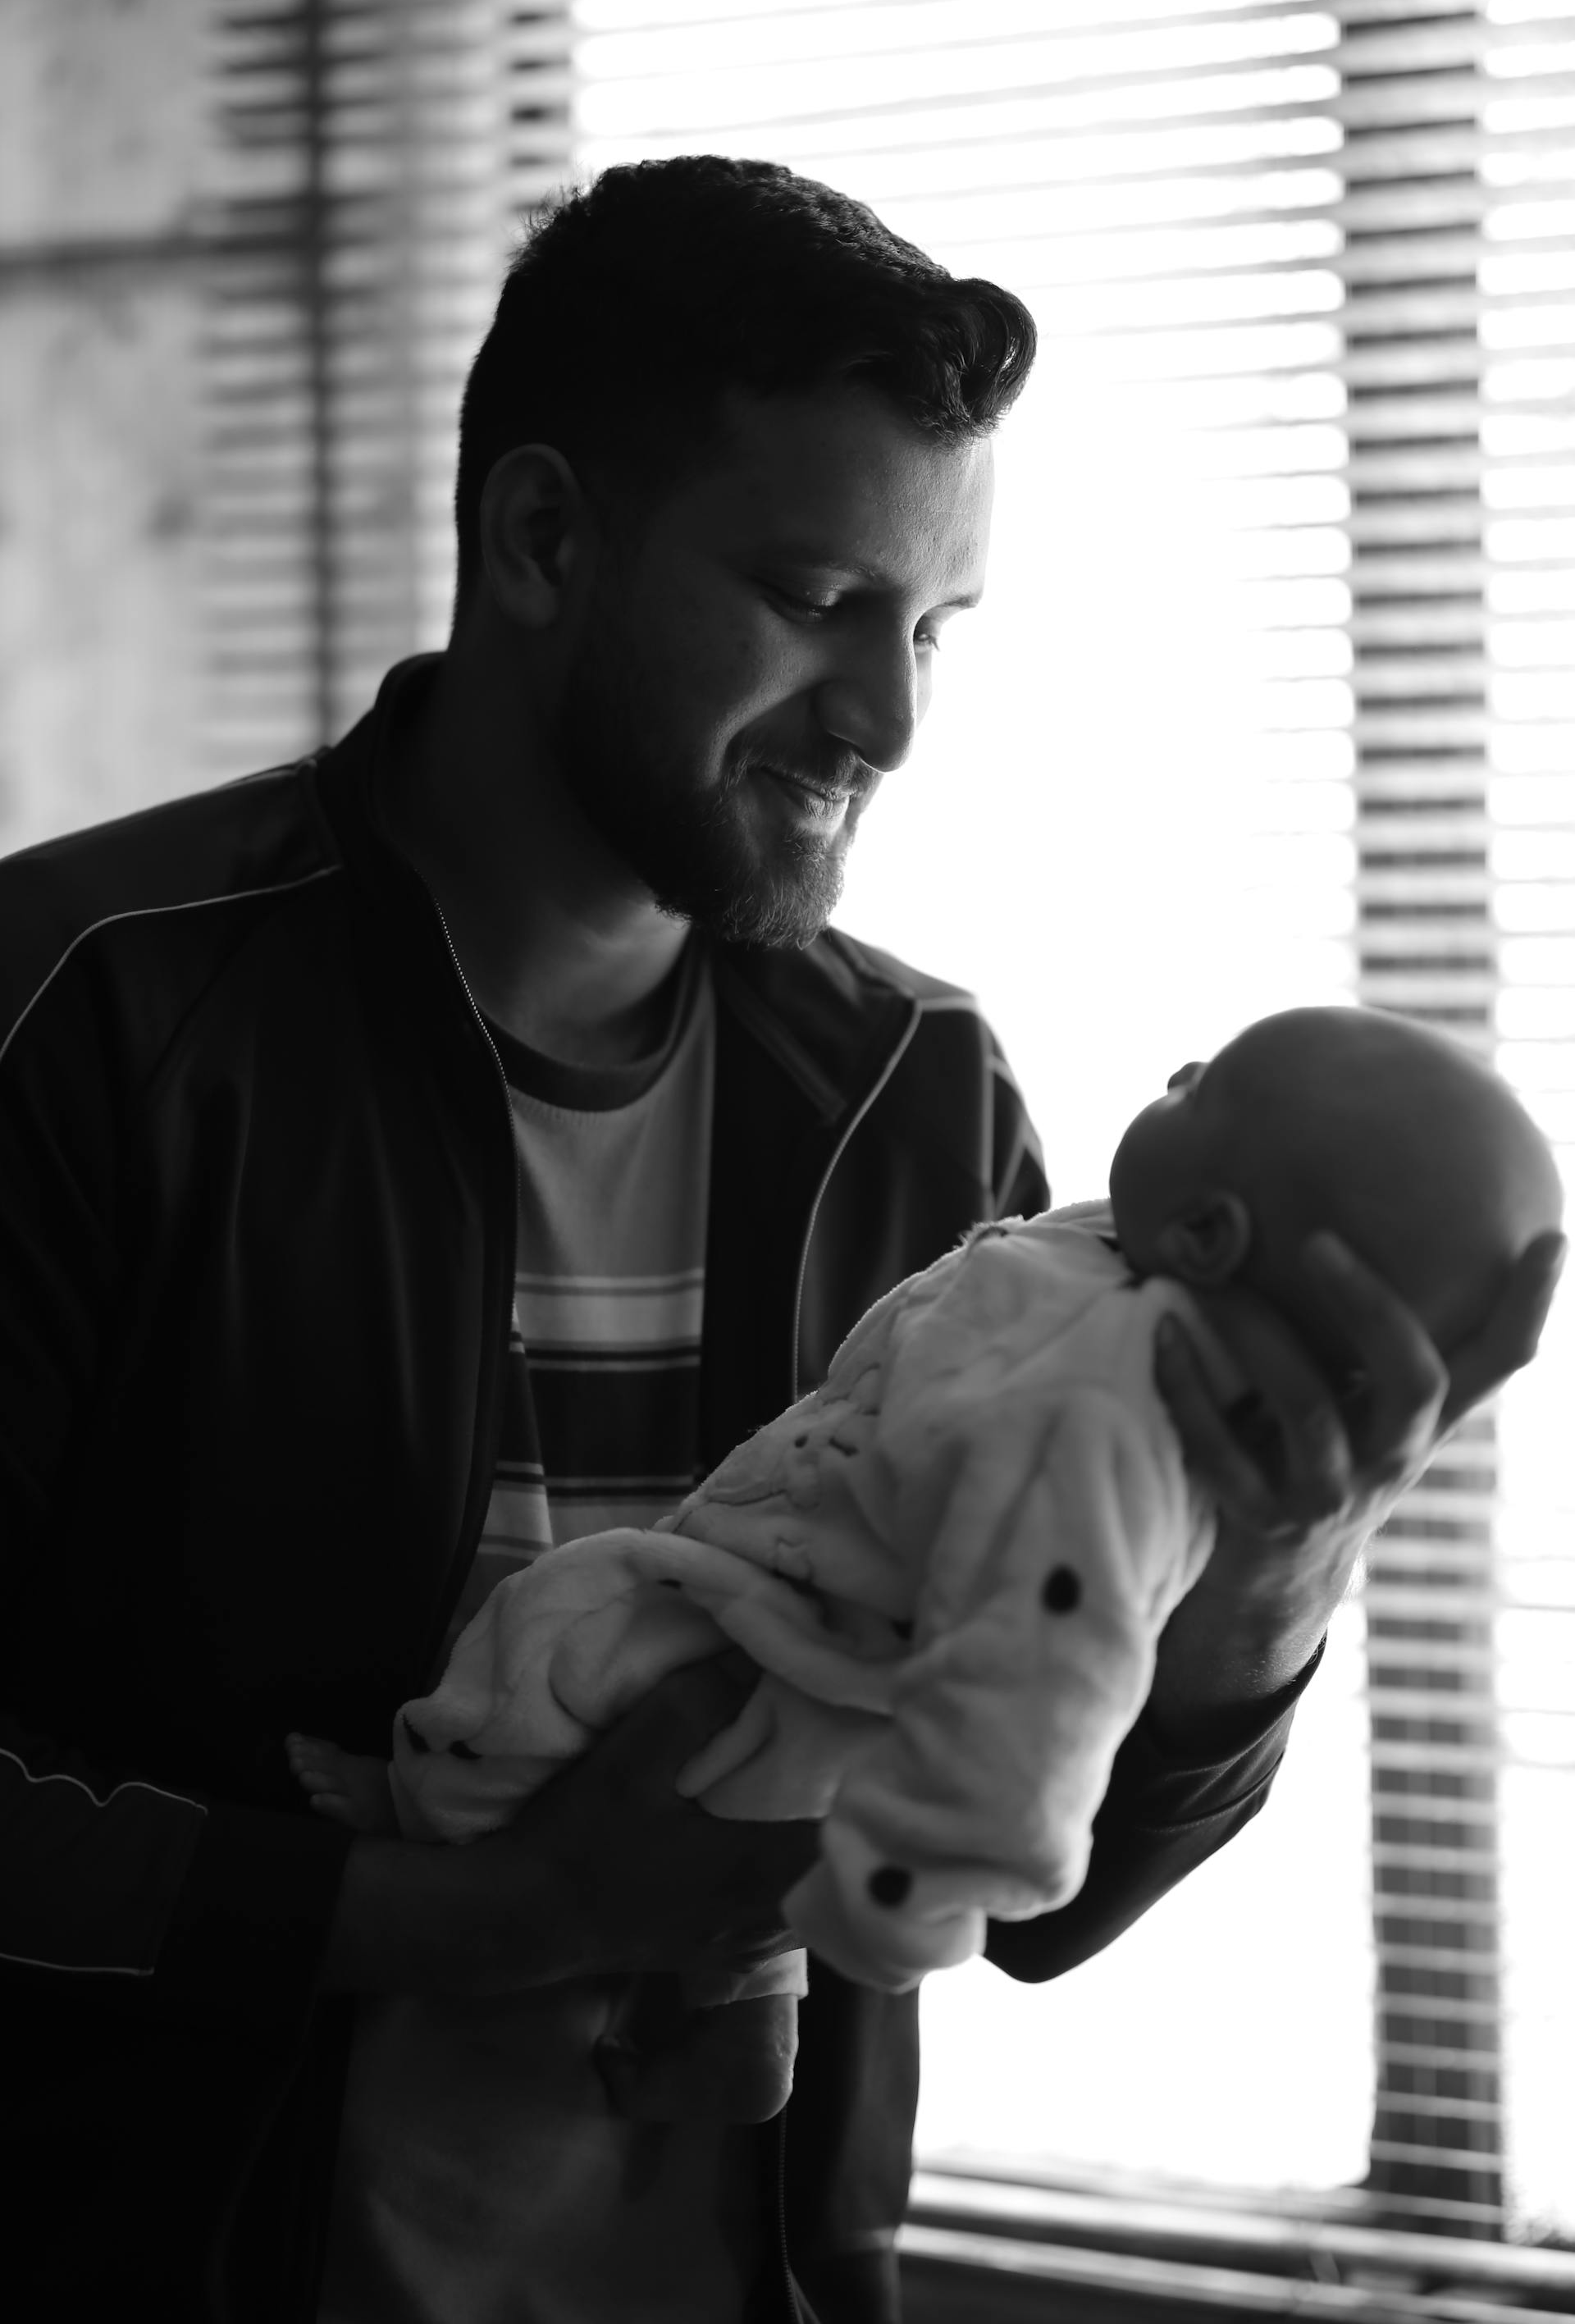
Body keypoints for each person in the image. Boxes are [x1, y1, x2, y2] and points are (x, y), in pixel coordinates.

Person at [0, 155, 1561, 2324]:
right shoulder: (82, 1019)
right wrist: (470, 1912)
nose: (894, 716)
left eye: (931, 627)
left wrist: (1276, 1580)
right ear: (544, 539)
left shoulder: (933, 1108)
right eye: (819, 597)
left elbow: (1031, 1888)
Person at [289, 1002, 1563, 2127]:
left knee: (563, 1639)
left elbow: (1051, 1685)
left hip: (803, 1640)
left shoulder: (1060, 1312)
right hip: (279, 2159)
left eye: (1204, 1085)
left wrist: (1280, 1567)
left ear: (1216, 1235)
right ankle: (737, 2030)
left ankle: (435, 1799)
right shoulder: (1104, 1257)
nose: (1175, 1068)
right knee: (750, 1777)